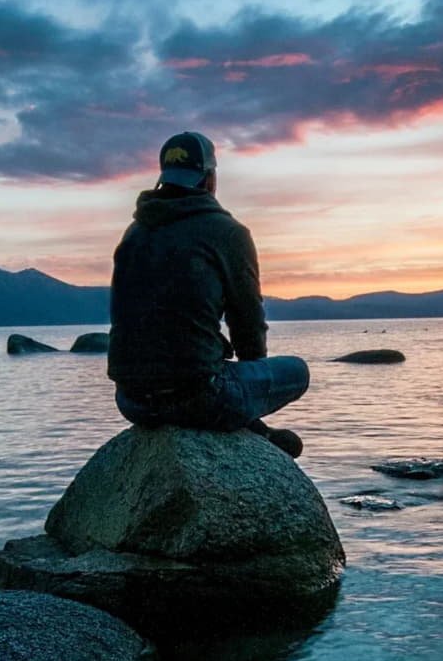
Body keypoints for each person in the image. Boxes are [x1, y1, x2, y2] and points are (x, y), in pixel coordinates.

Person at [107, 131, 309, 457]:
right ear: (210, 178)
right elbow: (247, 323)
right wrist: (248, 379)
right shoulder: (227, 232)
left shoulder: (134, 233)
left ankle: (254, 429)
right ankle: (252, 428)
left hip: (131, 401)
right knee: (297, 371)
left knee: (212, 370)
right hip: (199, 396)